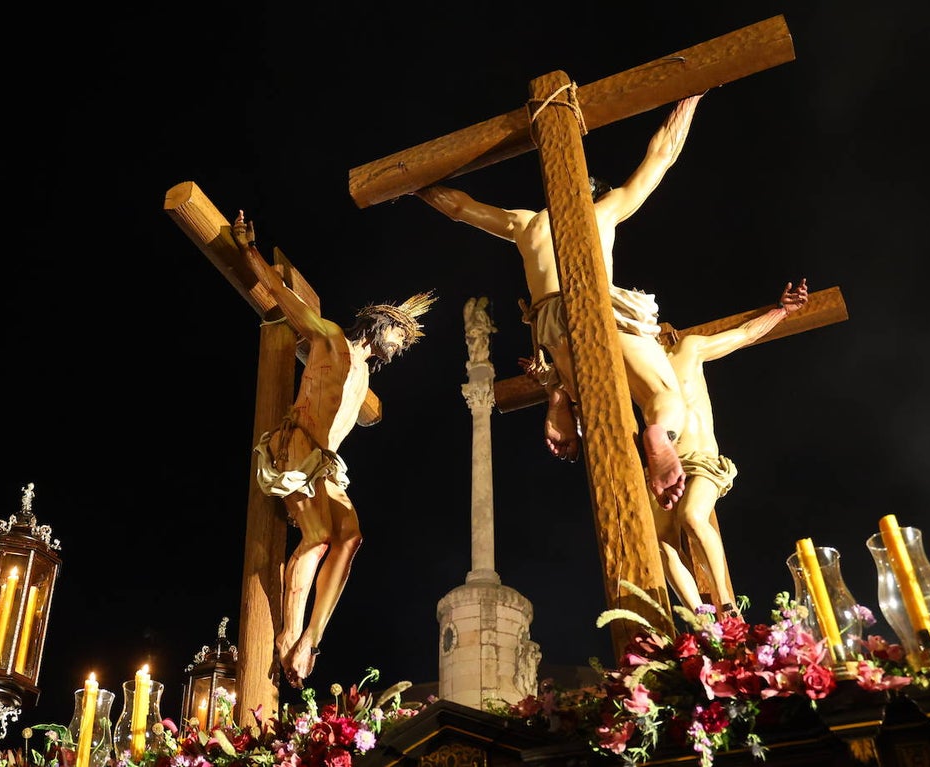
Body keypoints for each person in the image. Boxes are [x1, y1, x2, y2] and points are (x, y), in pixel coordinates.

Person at [412, 95, 703, 510]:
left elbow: (459, 207)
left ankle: (562, 399)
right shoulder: (604, 211)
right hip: (597, 301)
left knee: (594, 400)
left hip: (550, 322)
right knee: (662, 394)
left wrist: (414, 185)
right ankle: (657, 434)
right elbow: (660, 157)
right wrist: (690, 98)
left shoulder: (524, 222)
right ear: (595, 195)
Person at [232, 210, 436, 688]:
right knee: (320, 536)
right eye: (398, 334)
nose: (400, 345)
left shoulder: (365, 379)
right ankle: (287, 635)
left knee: (350, 537)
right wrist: (249, 252)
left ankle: (310, 640)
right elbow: (286, 299)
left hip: (324, 463)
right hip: (296, 447)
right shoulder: (329, 339)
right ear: (378, 322)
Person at [654, 278, 808, 616]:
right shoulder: (634, 373)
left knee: (693, 516)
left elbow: (744, 335)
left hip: (703, 459)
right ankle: (700, 618)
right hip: (665, 467)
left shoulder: (688, 350)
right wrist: (550, 382)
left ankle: (726, 604)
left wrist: (782, 311)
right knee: (662, 544)